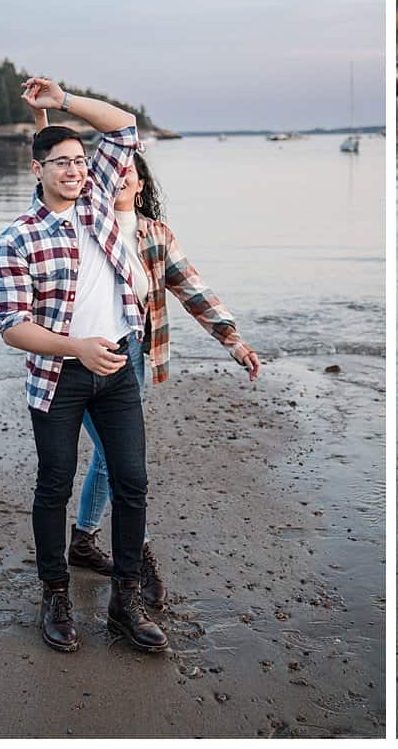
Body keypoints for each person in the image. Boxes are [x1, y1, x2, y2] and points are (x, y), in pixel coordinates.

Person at [32, 110, 263, 612]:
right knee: (116, 463)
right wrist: (43, 118)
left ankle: (86, 539)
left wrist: (233, 340)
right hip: (72, 364)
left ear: (138, 184)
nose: (119, 177)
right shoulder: (84, 222)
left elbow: (192, 290)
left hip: (131, 356)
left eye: (129, 173)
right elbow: (49, 173)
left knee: (115, 460)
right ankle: (138, 550)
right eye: (112, 171)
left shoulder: (155, 235)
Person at [0, 76, 166, 653]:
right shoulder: (17, 238)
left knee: (132, 482)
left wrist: (61, 102)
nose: (74, 169)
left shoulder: (98, 204)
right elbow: (12, 326)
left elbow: (124, 126)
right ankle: (55, 594)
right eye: (60, 162)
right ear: (36, 170)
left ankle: (125, 600)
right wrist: (75, 348)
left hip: (116, 363)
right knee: (55, 483)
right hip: (58, 377)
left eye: (79, 160)